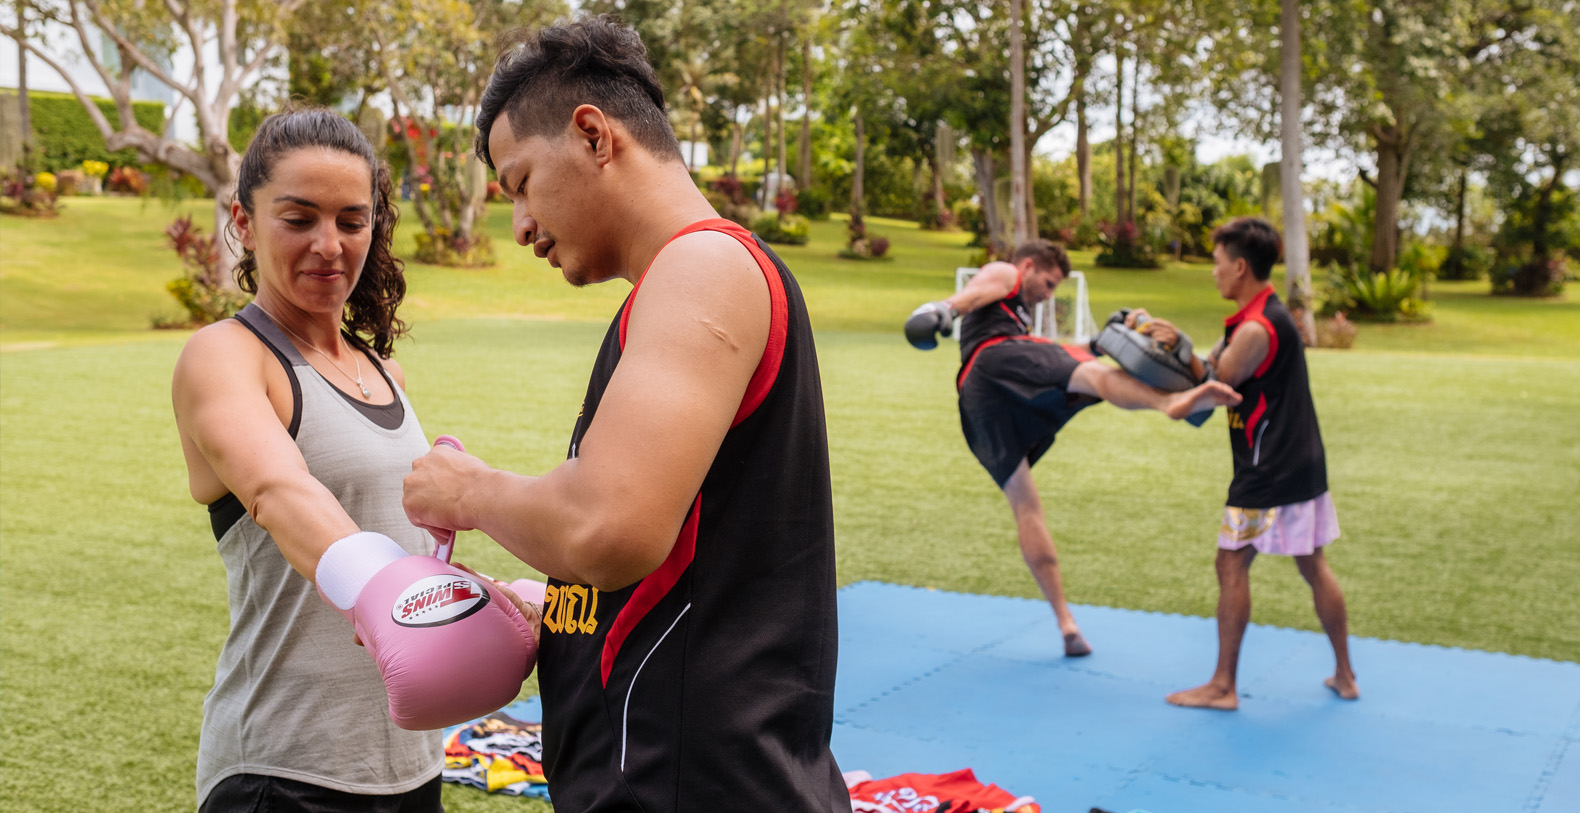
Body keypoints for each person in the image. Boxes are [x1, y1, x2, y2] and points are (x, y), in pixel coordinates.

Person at [399, 16, 848, 811]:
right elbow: (680, 558)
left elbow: (609, 527)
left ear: (593, 135)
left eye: (521, 184)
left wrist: (466, 489)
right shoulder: (677, 285)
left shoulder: (703, 265)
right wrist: (548, 607)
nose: (521, 226)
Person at [174, 109, 534, 812]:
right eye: (298, 218)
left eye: (351, 220)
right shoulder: (225, 355)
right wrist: (387, 596)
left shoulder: (382, 371)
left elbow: (401, 548)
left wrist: (501, 598)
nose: (328, 244)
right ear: (243, 222)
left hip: (409, 763)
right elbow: (279, 491)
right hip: (284, 767)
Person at [905, 240, 1241, 657]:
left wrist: (1097, 341)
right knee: (1094, 376)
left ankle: (1066, 624)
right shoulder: (1007, 273)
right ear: (1029, 266)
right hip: (994, 361)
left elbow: (1046, 356)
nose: (1049, 294)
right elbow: (975, 292)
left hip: (978, 406)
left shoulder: (1016, 315)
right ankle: (1168, 403)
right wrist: (942, 309)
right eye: (1048, 283)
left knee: (1027, 506)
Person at [1152, 216, 1359, 710]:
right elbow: (1213, 366)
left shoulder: (1256, 328)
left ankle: (1223, 686)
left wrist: (1176, 355)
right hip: (1300, 462)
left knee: (1231, 562)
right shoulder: (1263, 313)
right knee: (1312, 564)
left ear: (1240, 266)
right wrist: (1183, 349)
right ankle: (1346, 676)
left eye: (1218, 262)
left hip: (1268, 469)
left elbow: (1216, 384)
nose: (1214, 272)